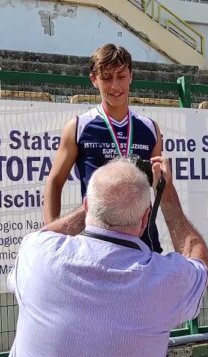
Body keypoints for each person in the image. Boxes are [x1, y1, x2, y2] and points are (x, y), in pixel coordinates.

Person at [0, 157, 208, 357]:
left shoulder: (39, 256)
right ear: (145, 219)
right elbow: (200, 262)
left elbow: (43, 236)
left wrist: (96, 206)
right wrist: (166, 196)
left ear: (86, 206)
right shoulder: (163, 281)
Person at [43, 43, 164, 252]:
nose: (115, 86)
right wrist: (54, 234)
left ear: (131, 76)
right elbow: (54, 182)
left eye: (121, 76)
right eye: (107, 78)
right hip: (94, 243)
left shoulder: (150, 128)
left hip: (141, 242)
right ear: (94, 79)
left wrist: (160, 179)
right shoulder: (79, 127)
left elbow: (157, 186)